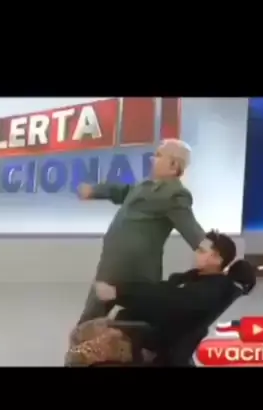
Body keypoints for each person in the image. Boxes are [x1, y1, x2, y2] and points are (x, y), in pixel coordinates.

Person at [77, 138, 211, 324]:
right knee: (98, 319)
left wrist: (214, 252)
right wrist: (95, 191)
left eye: (158, 155)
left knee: (97, 319)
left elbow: (192, 229)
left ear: (173, 166)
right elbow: (123, 191)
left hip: (134, 271)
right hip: (114, 264)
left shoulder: (174, 194)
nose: (152, 159)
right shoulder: (146, 186)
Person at [94, 231, 242, 364]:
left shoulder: (210, 290)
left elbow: (165, 299)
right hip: (147, 330)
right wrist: (120, 291)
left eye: (201, 251)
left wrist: (120, 292)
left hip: (155, 343)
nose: (196, 253)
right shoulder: (194, 276)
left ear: (217, 259)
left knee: (88, 344)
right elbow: (160, 290)